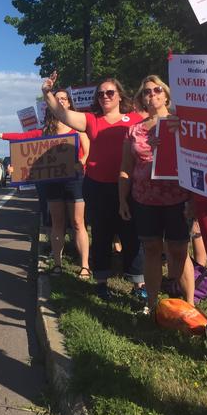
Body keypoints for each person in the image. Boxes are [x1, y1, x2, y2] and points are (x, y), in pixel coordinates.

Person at [43, 72, 145, 301]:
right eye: (101, 94)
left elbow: (161, 120)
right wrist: (46, 92)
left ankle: (139, 284)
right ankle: (101, 281)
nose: (105, 97)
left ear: (119, 96)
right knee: (101, 234)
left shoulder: (135, 119)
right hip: (97, 186)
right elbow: (61, 112)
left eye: (110, 93)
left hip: (129, 186)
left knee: (131, 236)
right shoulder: (91, 119)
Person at [0, 89, 90, 277]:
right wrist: (1, 135)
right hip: (53, 181)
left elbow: (87, 152)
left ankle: (85, 265)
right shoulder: (44, 132)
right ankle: (57, 264)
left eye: (63, 99)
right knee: (57, 223)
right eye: (56, 99)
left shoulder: (78, 128)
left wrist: (81, 163)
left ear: (68, 103)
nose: (59, 101)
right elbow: (23, 140)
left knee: (78, 222)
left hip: (75, 181)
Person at [118, 75, 194, 313]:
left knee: (179, 249)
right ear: (142, 99)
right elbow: (125, 167)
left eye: (156, 90)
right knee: (151, 248)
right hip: (144, 199)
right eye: (146, 92)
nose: (152, 95)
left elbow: (195, 159)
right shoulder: (134, 131)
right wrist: (123, 199)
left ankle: (189, 304)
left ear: (166, 95)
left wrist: (194, 199)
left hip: (177, 197)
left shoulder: (180, 123)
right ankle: (152, 303)